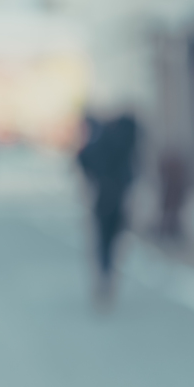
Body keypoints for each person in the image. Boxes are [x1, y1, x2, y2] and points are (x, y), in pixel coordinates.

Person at [77, 112, 139, 303]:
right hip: (118, 198)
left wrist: (93, 181)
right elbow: (131, 174)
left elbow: (82, 157)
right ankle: (108, 274)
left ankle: (104, 274)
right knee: (113, 239)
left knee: (103, 241)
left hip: (102, 197)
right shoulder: (127, 145)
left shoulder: (100, 142)